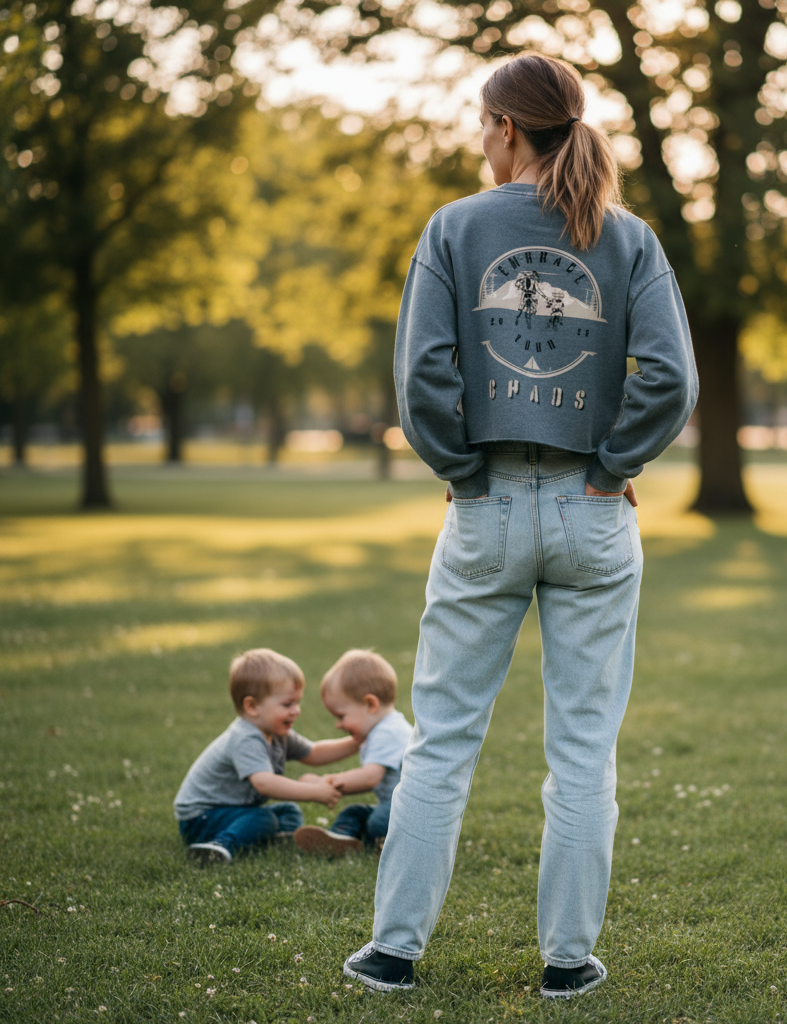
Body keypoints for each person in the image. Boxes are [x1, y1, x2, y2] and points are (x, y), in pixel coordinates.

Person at [343, 52, 698, 998]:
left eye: (481, 123)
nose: (480, 138)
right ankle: (567, 964)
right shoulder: (630, 239)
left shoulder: (454, 228)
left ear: (506, 128)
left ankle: (393, 953)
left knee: (444, 741)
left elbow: (423, 376)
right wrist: (613, 465)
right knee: (583, 750)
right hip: (593, 510)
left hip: (486, 505)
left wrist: (462, 470)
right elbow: (672, 377)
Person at [173, 648, 348, 863]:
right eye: (287, 704)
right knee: (263, 818)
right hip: (201, 818)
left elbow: (313, 753)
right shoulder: (246, 738)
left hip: (233, 811)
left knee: (289, 811)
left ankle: (273, 838)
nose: (296, 710)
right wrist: (314, 792)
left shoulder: (277, 732)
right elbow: (265, 784)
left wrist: (357, 741)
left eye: (297, 702)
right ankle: (218, 847)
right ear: (252, 706)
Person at [294, 649, 414, 855]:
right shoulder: (382, 728)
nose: (338, 725)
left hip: (410, 810)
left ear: (370, 704)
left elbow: (369, 777)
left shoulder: (388, 732)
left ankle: (383, 842)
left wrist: (327, 782)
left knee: (377, 821)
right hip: (394, 805)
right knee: (354, 812)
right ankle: (341, 839)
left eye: (341, 716)